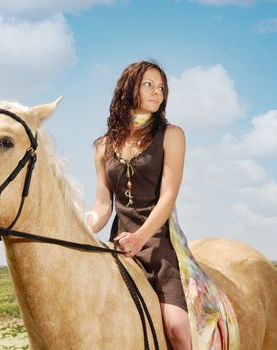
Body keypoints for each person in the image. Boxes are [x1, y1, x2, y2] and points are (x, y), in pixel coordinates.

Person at [85, 60, 192, 350]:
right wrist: (83, 226)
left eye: (161, 88)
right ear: (128, 88)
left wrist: (140, 238)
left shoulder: (172, 135)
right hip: (119, 247)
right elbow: (103, 203)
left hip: (158, 245)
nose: (157, 93)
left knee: (178, 329)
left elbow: (168, 197)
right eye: (149, 85)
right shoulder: (102, 146)